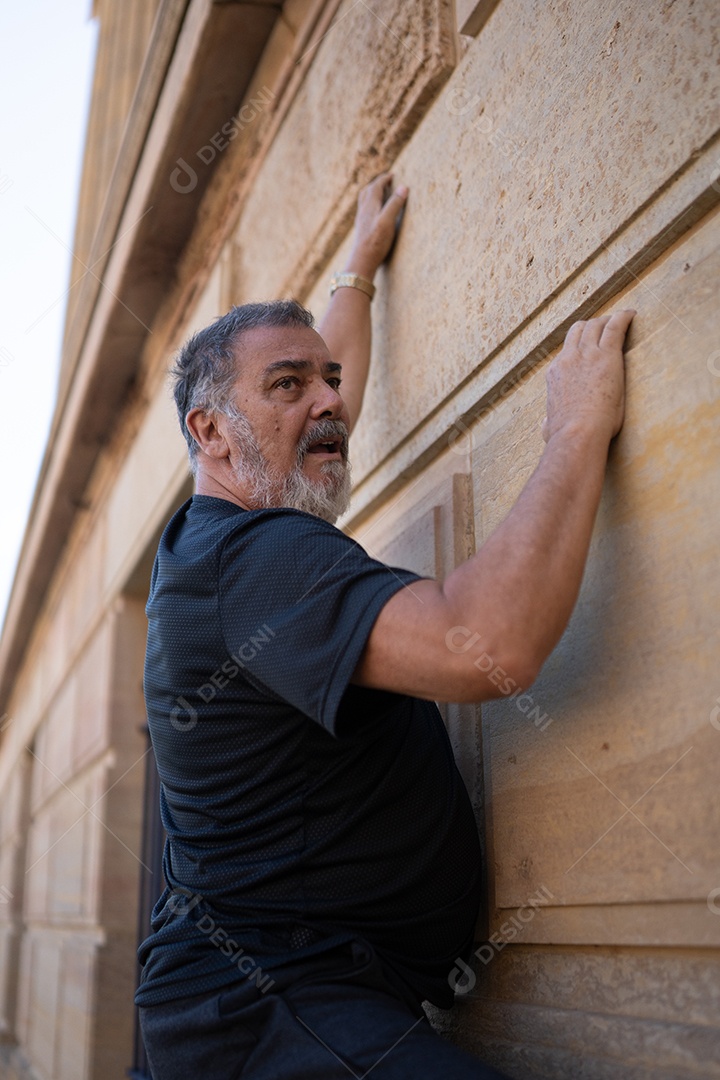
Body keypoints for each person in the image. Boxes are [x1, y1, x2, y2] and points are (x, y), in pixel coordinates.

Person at [136, 173, 635, 1079]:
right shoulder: (253, 559)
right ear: (208, 432)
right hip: (272, 1009)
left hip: (301, 990)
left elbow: (330, 411)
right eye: (289, 383)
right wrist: (572, 429)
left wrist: (358, 271)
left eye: (325, 377)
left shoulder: (226, 521)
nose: (327, 401)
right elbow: (490, 641)